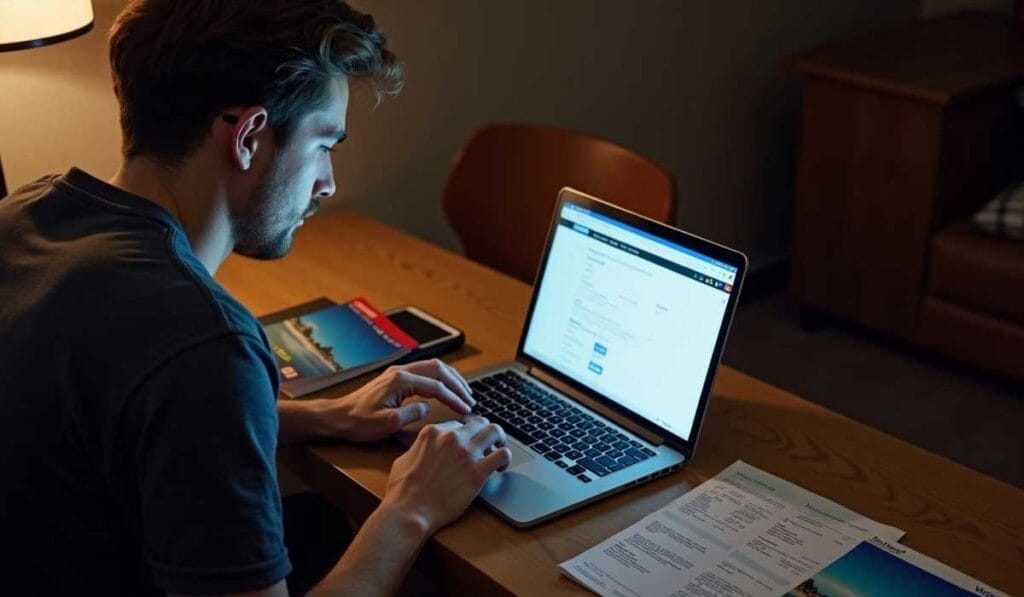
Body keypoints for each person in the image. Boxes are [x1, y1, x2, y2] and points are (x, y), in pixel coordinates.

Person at [0, 1, 511, 595]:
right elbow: (187, 384)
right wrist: (412, 508)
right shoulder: (204, 343)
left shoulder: (25, 214)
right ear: (247, 137)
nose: (328, 182)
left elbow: (119, 420)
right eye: (324, 144)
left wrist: (323, 415)